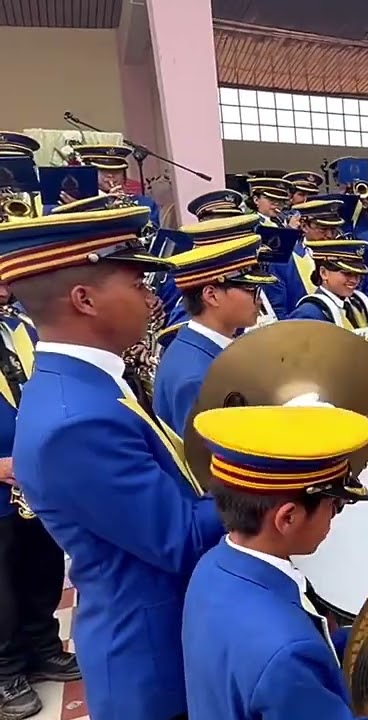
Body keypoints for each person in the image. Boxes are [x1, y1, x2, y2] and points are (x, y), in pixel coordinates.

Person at [3, 206, 225, 720]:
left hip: (161, 636)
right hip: (151, 663)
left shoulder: (88, 383)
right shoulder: (74, 420)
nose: (152, 297)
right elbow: (181, 537)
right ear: (85, 299)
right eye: (137, 281)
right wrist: (280, 471)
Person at [182, 404, 368, 719]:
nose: (335, 517)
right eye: (335, 506)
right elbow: (293, 655)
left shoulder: (213, 568)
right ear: (288, 517)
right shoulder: (287, 653)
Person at [0, 287, 78, 720]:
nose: (7, 288)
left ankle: (42, 646)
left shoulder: (18, 326)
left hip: (34, 481)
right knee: (1, 588)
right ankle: (5, 671)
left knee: (42, 567)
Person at [153, 235, 277, 434]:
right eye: (251, 289)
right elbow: (209, 459)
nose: (259, 300)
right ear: (211, 295)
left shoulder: (206, 348)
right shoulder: (196, 378)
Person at [289, 239, 368, 342]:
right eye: (347, 273)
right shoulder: (309, 313)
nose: (354, 280)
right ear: (324, 273)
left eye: (358, 275)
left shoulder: (358, 304)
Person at [74, 145, 161, 225]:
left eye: (117, 170)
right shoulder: (79, 204)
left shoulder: (144, 204)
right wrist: (106, 207)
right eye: (103, 170)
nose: (110, 175)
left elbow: (151, 234)